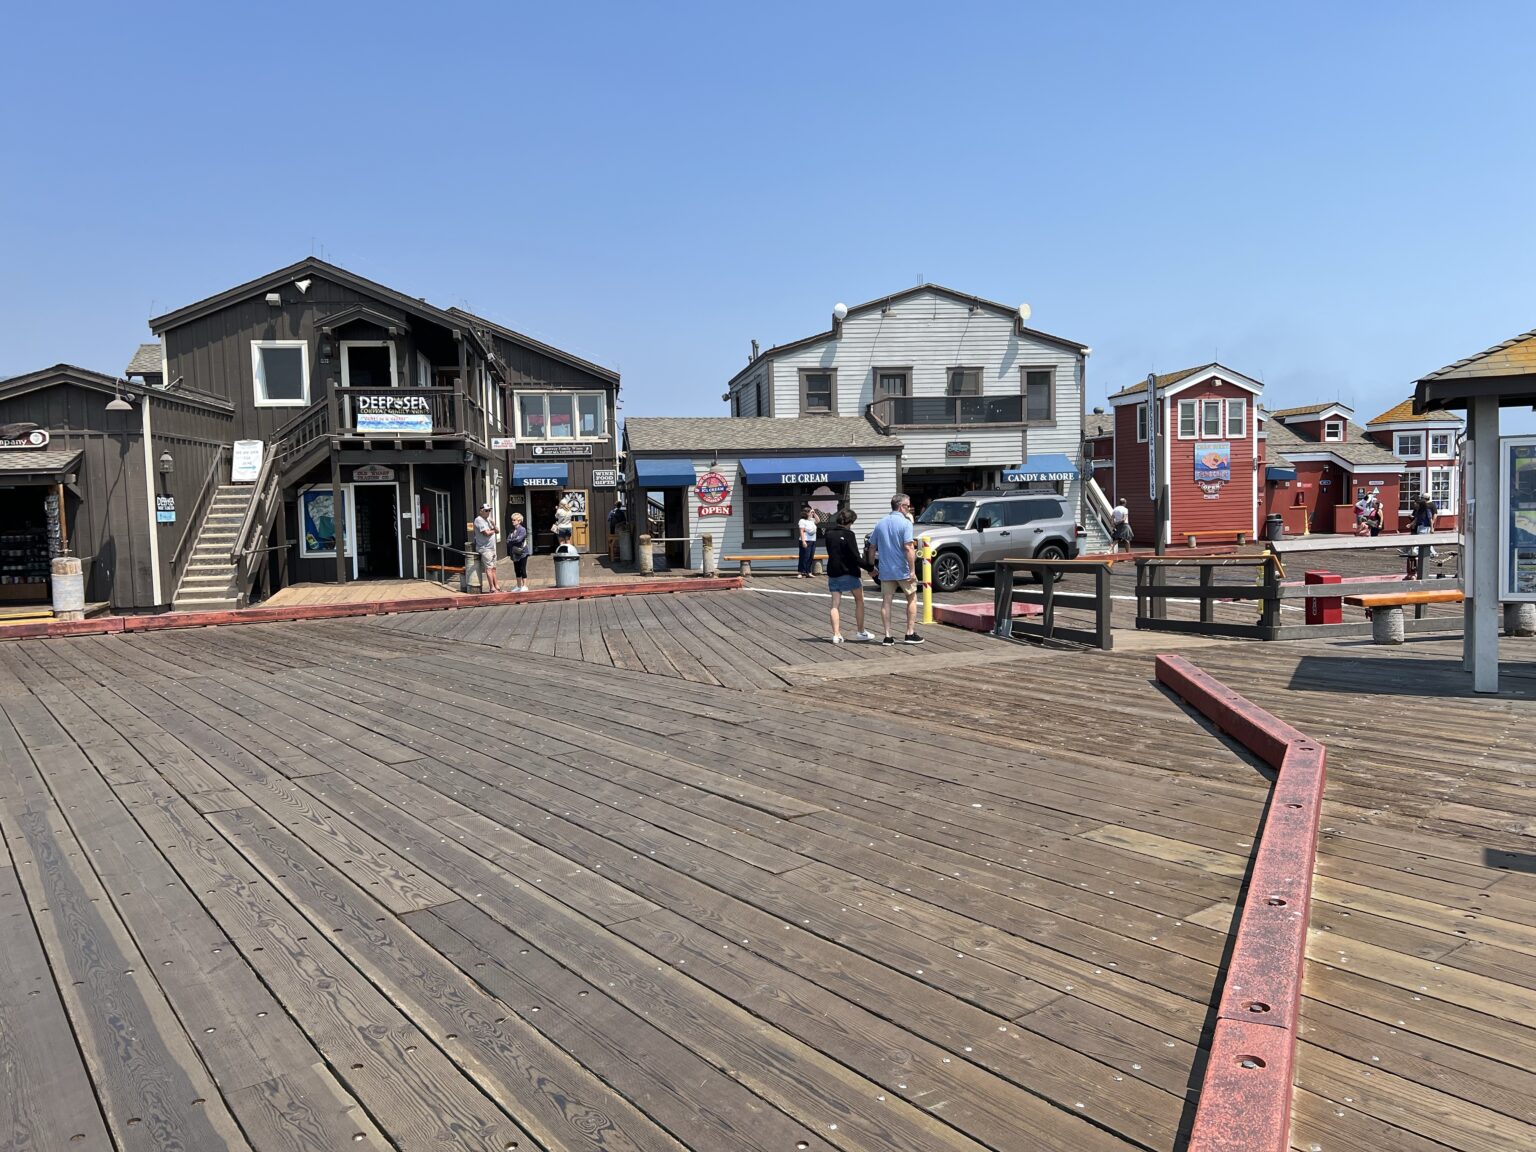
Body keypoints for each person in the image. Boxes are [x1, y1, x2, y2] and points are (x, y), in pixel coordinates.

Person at [868, 492, 923, 645]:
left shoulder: (880, 523)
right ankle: (909, 633)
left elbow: (872, 547)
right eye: (908, 506)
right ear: (901, 506)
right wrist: (912, 570)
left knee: (886, 601)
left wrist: (871, 567)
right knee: (911, 598)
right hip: (903, 569)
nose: (909, 509)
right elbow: (909, 548)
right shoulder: (906, 524)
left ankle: (887, 636)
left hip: (886, 570)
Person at [822, 507, 875, 643]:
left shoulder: (829, 533)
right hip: (849, 572)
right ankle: (861, 631)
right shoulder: (849, 535)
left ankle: (836, 634)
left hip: (833, 571)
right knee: (859, 600)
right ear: (850, 522)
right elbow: (855, 557)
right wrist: (870, 567)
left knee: (835, 604)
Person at [472, 502, 500, 592]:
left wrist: (493, 525)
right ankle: (492, 588)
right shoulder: (478, 520)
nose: (488, 512)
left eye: (489, 510)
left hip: (492, 547)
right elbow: (486, 533)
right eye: (486, 510)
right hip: (485, 548)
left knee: (494, 568)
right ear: (481, 511)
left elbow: (498, 531)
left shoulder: (488, 520)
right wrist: (493, 530)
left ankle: (497, 586)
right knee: (489, 568)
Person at [508, 511, 531, 592]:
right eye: (512, 520)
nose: (512, 521)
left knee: (522, 568)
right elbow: (508, 540)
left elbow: (519, 539)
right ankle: (518, 586)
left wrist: (512, 541)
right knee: (517, 569)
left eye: (514, 520)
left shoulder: (522, 529)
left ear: (519, 521)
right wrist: (512, 540)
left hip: (522, 552)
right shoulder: (512, 530)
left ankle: (525, 585)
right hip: (514, 553)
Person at [1412, 491, 1439, 558]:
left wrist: (1432, 523)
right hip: (1420, 524)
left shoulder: (1431, 505)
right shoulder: (1421, 506)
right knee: (1426, 540)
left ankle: (1415, 551)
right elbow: (1417, 516)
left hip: (1426, 525)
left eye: (1422, 497)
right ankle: (1432, 553)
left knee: (1422, 539)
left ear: (1425, 498)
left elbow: (1435, 514)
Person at [796, 504, 818, 578]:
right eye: (810, 512)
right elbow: (801, 531)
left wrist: (814, 514)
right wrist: (803, 541)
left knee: (810, 557)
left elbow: (818, 521)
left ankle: (808, 572)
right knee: (804, 557)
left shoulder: (812, 520)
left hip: (813, 540)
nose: (811, 513)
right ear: (806, 513)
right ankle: (800, 572)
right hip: (805, 540)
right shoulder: (802, 521)